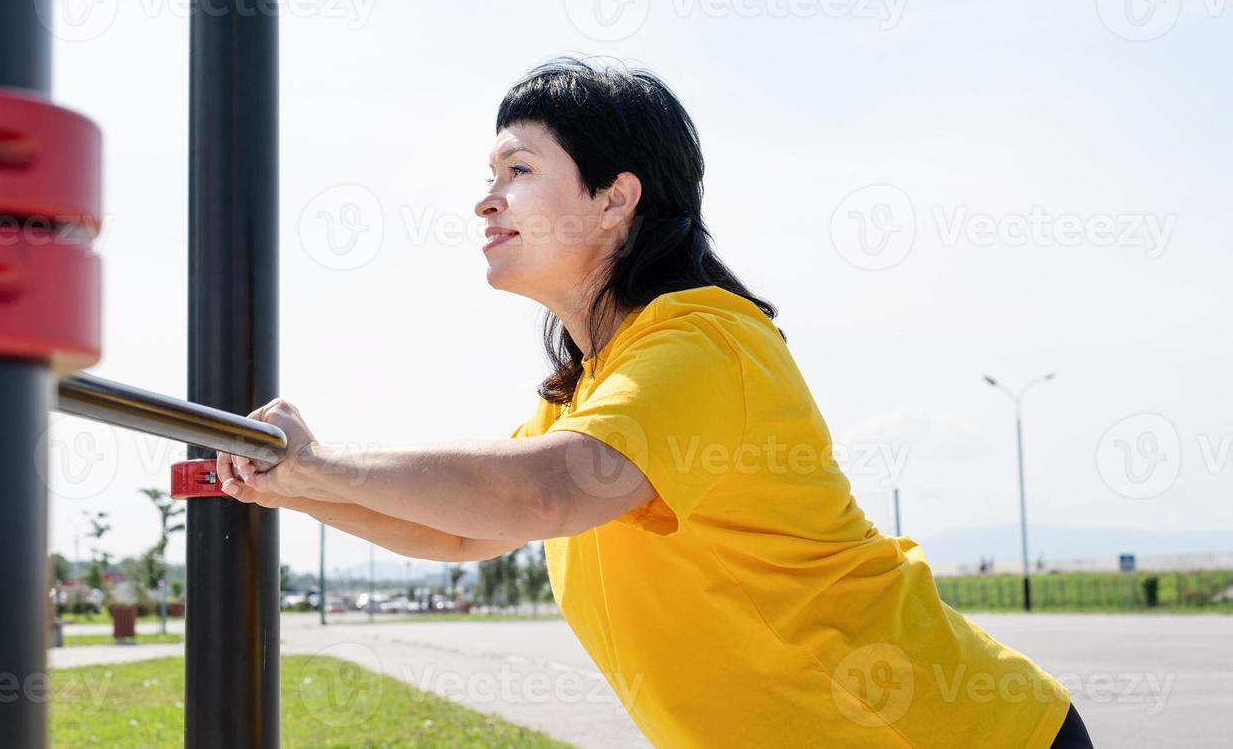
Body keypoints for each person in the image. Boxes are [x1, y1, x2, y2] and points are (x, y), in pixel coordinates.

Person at [218, 57, 1092, 747]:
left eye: (517, 168)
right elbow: (463, 530)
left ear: (615, 197)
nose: (485, 199)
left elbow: (545, 492)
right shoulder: (585, 393)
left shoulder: (704, 342)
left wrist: (317, 462)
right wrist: (291, 486)